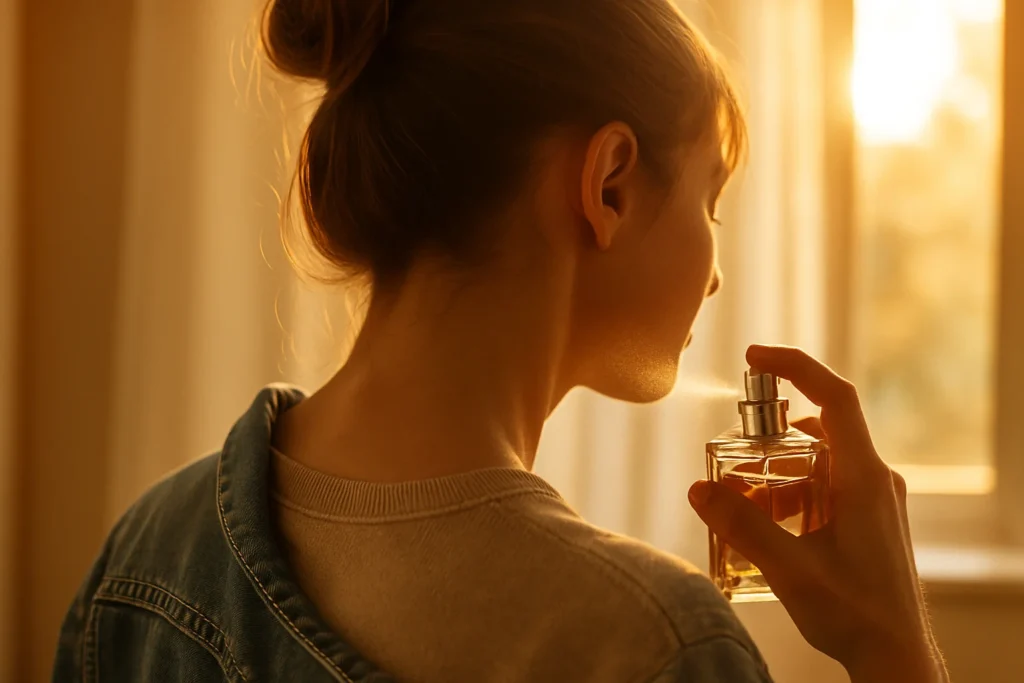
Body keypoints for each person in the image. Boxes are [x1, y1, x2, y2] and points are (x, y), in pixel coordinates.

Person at [52, 0, 950, 681]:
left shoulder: (141, 560)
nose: (715, 276)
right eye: (710, 202)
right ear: (609, 186)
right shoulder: (655, 644)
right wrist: (890, 644)